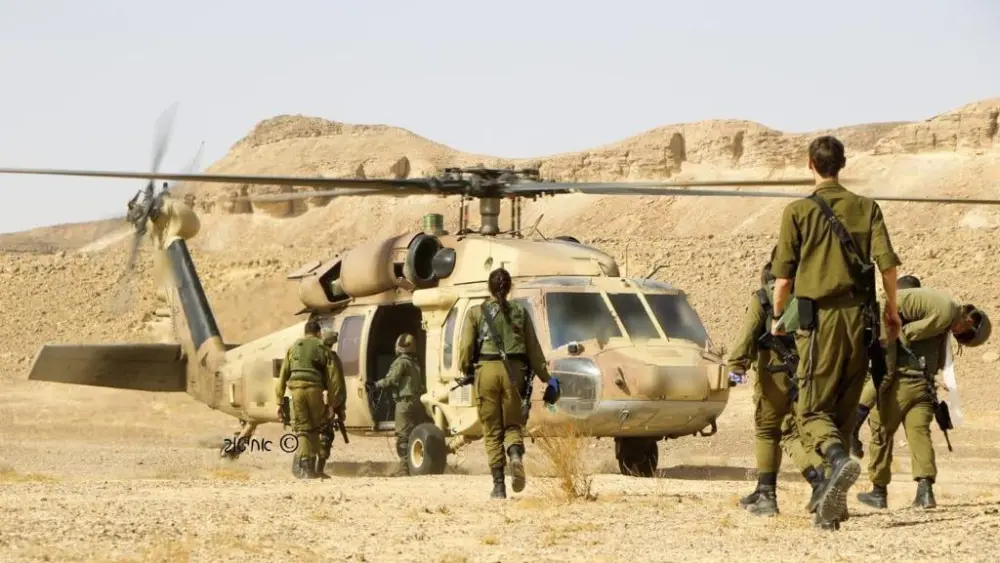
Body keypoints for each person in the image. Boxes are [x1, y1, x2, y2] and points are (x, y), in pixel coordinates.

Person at [770, 135, 903, 528]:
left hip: (821, 322)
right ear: (842, 164)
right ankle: (833, 510)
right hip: (862, 321)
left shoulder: (798, 211)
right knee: (842, 413)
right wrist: (892, 310)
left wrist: (778, 317)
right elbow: (889, 267)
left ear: (810, 164)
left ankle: (838, 460)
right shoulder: (868, 208)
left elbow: (783, 280)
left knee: (811, 409)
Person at [856, 288, 990, 509]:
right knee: (920, 436)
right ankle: (925, 492)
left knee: (881, 434)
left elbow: (898, 338)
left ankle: (879, 491)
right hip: (924, 389)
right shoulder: (941, 329)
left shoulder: (922, 320)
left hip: (896, 388)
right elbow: (939, 363)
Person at [729, 248, 825, 516]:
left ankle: (768, 495)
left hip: (775, 376)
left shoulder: (764, 297)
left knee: (768, 431)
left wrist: (735, 370)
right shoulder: (815, 294)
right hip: (812, 374)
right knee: (806, 432)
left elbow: (746, 338)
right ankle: (822, 485)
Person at [457, 267, 561, 499]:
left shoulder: (475, 313)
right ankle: (514, 455)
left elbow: (465, 348)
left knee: (492, 429)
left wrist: (466, 369)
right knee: (513, 425)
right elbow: (534, 351)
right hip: (515, 373)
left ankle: (498, 486)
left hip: (486, 372)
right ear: (509, 287)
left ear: (489, 287)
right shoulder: (520, 312)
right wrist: (548, 379)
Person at [852, 275, 923, 459]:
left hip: (866, 357)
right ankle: (854, 425)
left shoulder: (882, 301)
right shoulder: (899, 306)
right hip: (883, 357)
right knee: (884, 378)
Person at [275, 319, 346, 479]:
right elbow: (334, 379)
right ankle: (309, 468)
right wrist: (332, 404)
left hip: (296, 392)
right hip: (315, 391)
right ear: (319, 333)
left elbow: (282, 375)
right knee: (316, 427)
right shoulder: (323, 348)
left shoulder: (293, 348)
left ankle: (305, 467)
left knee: (303, 428)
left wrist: (279, 401)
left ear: (305, 332)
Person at [374, 333, 427, 476]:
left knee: (403, 437)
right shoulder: (416, 363)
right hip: (417, 403)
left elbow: (391, 380)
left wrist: (376, 385)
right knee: (414, 435)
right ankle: (415, 464)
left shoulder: (401, 362)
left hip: (404, 403)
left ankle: (404, 468)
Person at [315, 329, 347, 479]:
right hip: (325, 401)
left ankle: (304, 466)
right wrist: (337, 406)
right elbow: (337, 384)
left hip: (309, 399)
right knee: (326, 434)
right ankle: (318, 469)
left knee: (308, 433)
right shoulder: (332, 358)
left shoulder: (313, 355)